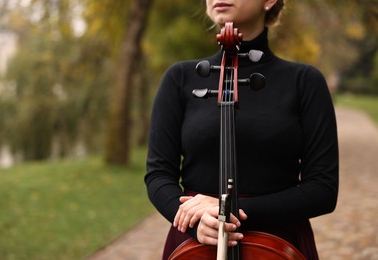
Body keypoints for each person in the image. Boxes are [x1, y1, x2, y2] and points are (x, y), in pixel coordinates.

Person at [145, 0, 339, 259]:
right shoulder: (179, 78)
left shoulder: (305, 82)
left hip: (278, 240)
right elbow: (158, 175)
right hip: (196, 240)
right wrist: (194, 222)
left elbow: (322, 190)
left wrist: (230, 210)